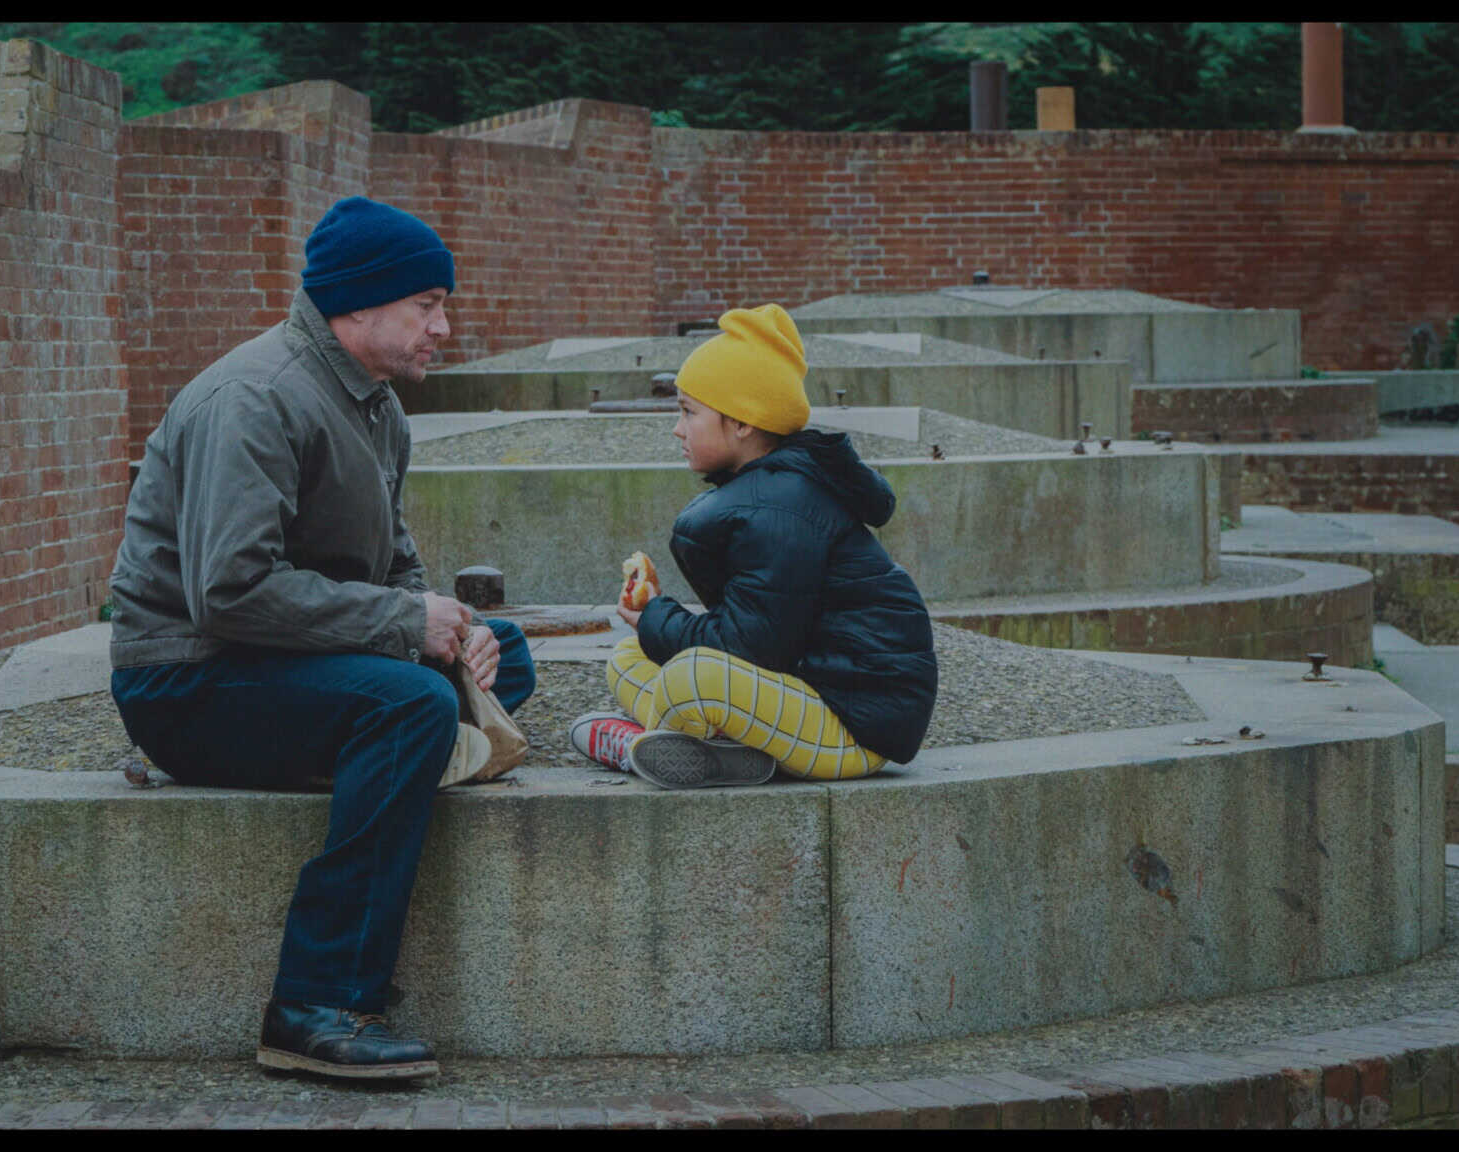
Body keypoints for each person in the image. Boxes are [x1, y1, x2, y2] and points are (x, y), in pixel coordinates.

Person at [106, 196, 535, 1081]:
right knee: (414, 705)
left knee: (508, 655)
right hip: (189, 684)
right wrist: (406, 630)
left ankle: (373, 749)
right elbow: (227, 594)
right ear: (360, 304)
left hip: (282, 662)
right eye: (427, 306)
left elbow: (395, 573)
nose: (443, 327)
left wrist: (457, 634)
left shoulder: (376, 406)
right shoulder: (254, 398)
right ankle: (316, 1004)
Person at [569, 304, 936, 788]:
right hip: (807, 694)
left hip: (855, 728)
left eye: (688, 412)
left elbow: (747, 650)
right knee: (627, 656)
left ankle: (633, 746)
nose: (677, 429)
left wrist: (659, 616)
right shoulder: (770, 495)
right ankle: (709, 751)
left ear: (742, 423)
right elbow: (756, 637)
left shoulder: (780, 510)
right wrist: (653, 623)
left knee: (692, 675)